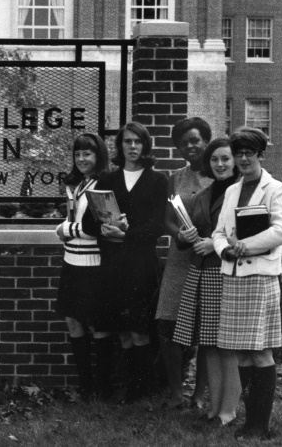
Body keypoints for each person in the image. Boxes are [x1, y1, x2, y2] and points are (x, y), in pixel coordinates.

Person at [211, 127, 282, 439]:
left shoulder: (275, 188)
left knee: (259, 352)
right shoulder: (232, 190)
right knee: (240, 353)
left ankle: (261, 424)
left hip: (259, 276)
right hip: (234, 277)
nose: (243, 159)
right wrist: (224, 249)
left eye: (249, 153)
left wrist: (246, 245)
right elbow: (219, 232)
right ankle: (249, 421)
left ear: (260, 155)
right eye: (238, 153)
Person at [94, 121, 168, 403]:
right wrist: (105, 227)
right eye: (127, 142)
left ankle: (143, 388)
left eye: (138, 142)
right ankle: (127, 386)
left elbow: (156, 226)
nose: (133, 147)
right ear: (120, 145)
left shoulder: (157, 180)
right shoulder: (108, 180)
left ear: (145, 146)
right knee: (122, 326)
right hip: (114, 263)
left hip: (140, 263)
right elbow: (95, 218)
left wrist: (126, 233)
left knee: (139, 328)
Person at [173, 138, 242, 425]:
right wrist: (183, 238)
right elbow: (191, 236)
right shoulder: (205, 193)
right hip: (203, 274)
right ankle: (214, 410)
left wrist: (210, 244)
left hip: (228, 274)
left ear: (235, 161)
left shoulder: (243, 194)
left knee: (228, 346)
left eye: (225, 158)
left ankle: (228, 412)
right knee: (209, 345)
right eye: (215, 160)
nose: (220, 164)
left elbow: (242, 238)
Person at [157, 117, 213, 409]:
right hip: (179, 259)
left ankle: (200, 394)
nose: (189, 146)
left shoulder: (219, 175)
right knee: (168, 324)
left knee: (205, 328)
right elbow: (167, 218)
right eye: (183, 143)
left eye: (194, 140)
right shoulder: (175, 177)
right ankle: (177, 392)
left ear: (205, 140)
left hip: (207, 259)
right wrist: (180, 232)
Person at [54, 133, 111, 400]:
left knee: (97, 325)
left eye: (87, 154)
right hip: (71, 261)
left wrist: (66, 228)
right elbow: (76, 223)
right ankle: (86, 386)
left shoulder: (105, 185)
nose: (81, 159)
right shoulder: (74, 184)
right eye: (77, 154)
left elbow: (105, 229)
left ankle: (102, 387)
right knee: (73, 322)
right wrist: (70, 228)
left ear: (98, 155)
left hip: (94, 265)